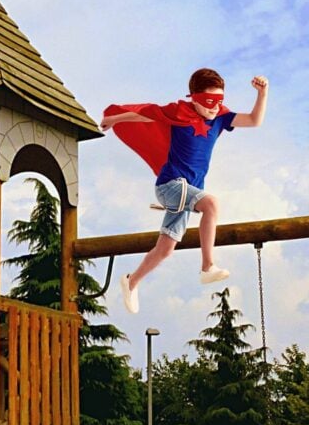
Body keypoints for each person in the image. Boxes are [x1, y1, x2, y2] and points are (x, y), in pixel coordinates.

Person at [101, 68, 268, 313]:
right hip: (170, 186)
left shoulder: (220, 118)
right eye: (208, 101)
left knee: (166, 249)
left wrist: (263, 93)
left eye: (219, 101)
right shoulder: (178, 112)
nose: (214, 107)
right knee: (211, 204)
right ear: (194, 97)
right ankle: (207, 266)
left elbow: (254, 121)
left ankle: (131, 281)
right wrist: (115, 120)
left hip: (189, 192)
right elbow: (145, 115)